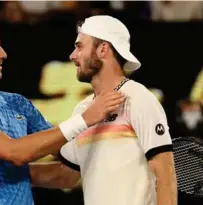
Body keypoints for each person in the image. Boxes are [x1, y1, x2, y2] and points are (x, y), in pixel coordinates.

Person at [0, 14, 125, 205]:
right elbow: (15, 153)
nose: (3, 54)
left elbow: (68, 162)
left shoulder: (17, 104)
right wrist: (84, 119)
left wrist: (115, 144)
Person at [59, 15, 178, 205]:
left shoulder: (137, 98)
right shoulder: (82, 111)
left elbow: (165, 173)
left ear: (103, 49)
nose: (73, 55)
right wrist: (4, 172)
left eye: (80, 46)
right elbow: (65, 176)